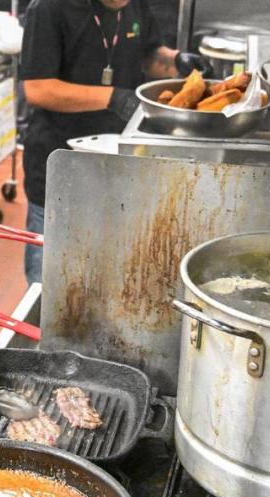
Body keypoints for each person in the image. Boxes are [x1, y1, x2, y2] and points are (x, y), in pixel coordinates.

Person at [19, 0, 206, 284]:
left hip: (116, 160)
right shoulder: (48, 8)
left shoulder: (133, 5)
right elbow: (39, 88)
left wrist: (176, 61)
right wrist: (112, 98)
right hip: (60, 162)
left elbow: (147, 55)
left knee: (107, 272)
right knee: (51, 280)